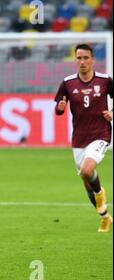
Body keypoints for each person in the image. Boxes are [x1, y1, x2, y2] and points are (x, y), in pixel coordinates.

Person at [54, 43, 113, 233]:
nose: (82, 62)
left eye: (86, 58)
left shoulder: (105, 80)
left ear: (93, 60)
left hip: (101, 133)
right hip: (79, 138)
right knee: (85, 180)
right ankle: (104, 216)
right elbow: (58, 108)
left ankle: (100, 193)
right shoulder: (68, 83)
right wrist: (60, 109)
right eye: (79, 58)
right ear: (75, 60)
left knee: (88, 170)